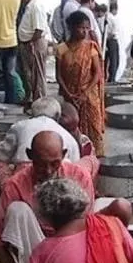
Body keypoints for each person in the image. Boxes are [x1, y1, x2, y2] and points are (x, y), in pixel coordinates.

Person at [0, 131, 130, 263]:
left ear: (64, 155)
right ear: (30, 156)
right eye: (41, 164)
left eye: (55, 163)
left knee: (116, 206)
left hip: (74, 246)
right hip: (37, 251)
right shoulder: (15, 185)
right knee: (17, 210)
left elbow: (87, 225)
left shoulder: (79, 175)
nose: (49, 171)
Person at [54, 10, 106, 155]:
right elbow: (59, 75)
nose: (85, 31)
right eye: (81, 28)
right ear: (72, 28)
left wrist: (85, 92)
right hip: (70, 94)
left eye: (87, 28)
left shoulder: (91, 47)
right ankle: (76, 154)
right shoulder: (62, 49)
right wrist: (68, 94)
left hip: (89, 95)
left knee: (93, 126)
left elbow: (97, 73)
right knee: (72, 126)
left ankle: (96, 156)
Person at [0, 96, 80, 166]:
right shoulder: (68, 137)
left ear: (32, 113)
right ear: (57, 115)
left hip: (23, 176)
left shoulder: (19, 126)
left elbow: (1, 156)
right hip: (59, 180)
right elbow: (76, 165)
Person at [17, 0, 49, 100]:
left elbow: (39, 29)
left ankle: (40, 100)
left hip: (35, 42)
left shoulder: (36, 6)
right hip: (29, 42)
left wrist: (31, 42)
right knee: (31, 75)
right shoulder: (30, 6)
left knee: (38, 75)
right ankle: (34, 99)